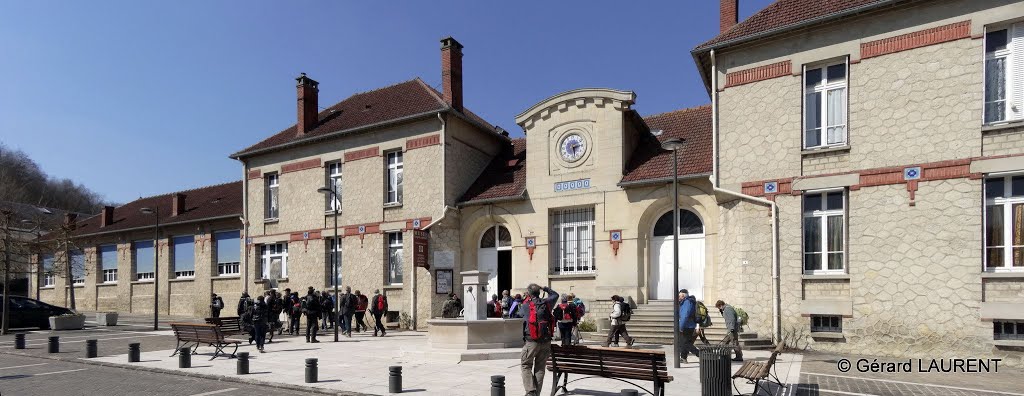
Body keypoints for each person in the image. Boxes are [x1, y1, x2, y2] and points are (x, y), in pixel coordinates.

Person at [519, 284, 558, 396]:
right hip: (546, 341)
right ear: (539, 292)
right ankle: (537, 394)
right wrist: (545, 288)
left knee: (526, 365)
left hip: (532, 341)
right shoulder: (547, 303)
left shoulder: (526, 305)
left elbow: (519, 315)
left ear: (529, 293)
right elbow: (555, 294)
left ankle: (531, 392)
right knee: (540, 368)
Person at [678, 289, 700, 363]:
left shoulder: (687, 302)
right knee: (684, 342)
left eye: (679, 296)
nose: (678, 297)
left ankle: (700, 354)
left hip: (687, 326)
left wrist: (681, 327)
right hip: (690, 325)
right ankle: (683, 358)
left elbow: (685, 316)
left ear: (683, 295)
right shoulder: (689, 302)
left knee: (686, 343)